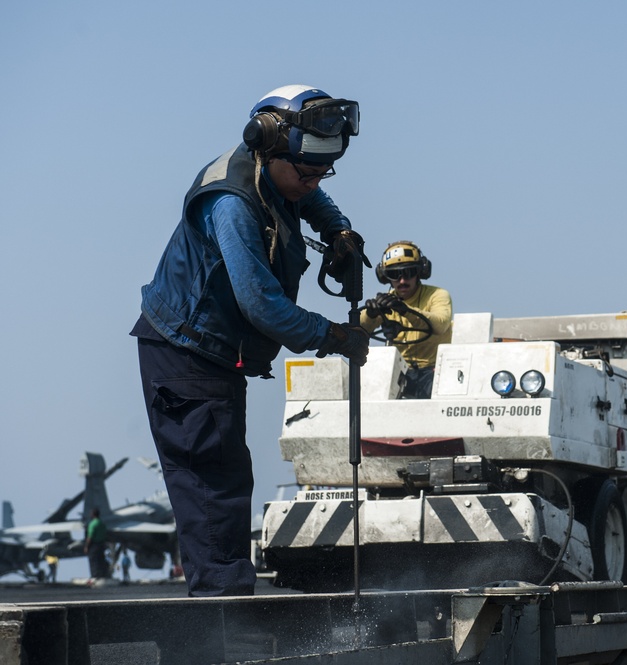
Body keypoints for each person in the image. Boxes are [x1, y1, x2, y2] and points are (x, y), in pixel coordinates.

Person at [131, 84, 370, 597]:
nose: (313, 183)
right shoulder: (233, 203)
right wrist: (332, 335)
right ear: (267, 145)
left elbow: (312, 195)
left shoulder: (276, 171)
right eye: (305, 173)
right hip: (186, 356)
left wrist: (338, 231)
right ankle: (224, 618)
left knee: (228, 477)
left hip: (212, 356)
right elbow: (261, 305)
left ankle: (228, 603)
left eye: (323, 172)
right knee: (212, 484)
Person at [361, 241, 452, 398]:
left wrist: (406, 311)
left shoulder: (437, 295)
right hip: (398, 372)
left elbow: (440, 324)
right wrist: (370, 314)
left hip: (435, 372)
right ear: (385, 277)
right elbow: (359, 331)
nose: (402, 281)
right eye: (395, 275)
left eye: (409, 273)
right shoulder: (385, 301)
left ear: (420, 272)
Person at [84, 508, 109, 579]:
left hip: (94, 545)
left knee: (93, 561)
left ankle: (94, 576)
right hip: (102, 545)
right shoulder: (102, 523)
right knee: (101, 560)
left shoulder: (92, 524)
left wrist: (86, 546)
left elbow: (90, 536)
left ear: (93, 514)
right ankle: (103, 575)